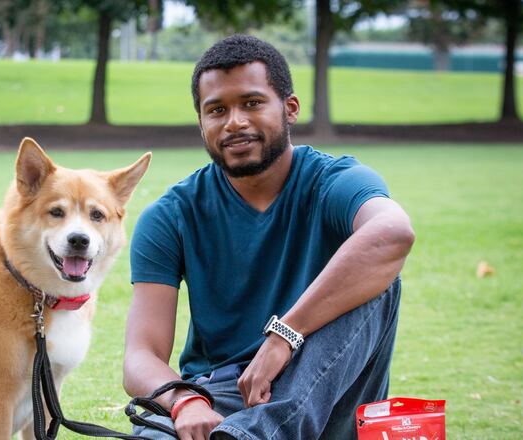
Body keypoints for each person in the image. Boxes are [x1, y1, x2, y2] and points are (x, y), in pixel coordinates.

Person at [123, 34, 415, 440]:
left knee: (375, 270)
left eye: (252, 103)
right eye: (217, 110)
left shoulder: (333, 183)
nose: (235, 122)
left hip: (327, 392)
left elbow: (393, 234)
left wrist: (284, 337)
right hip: (221, 395)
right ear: (202, 123)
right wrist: (186, 402)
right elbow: (141, 354)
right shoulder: (171, 216)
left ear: (290, 108)